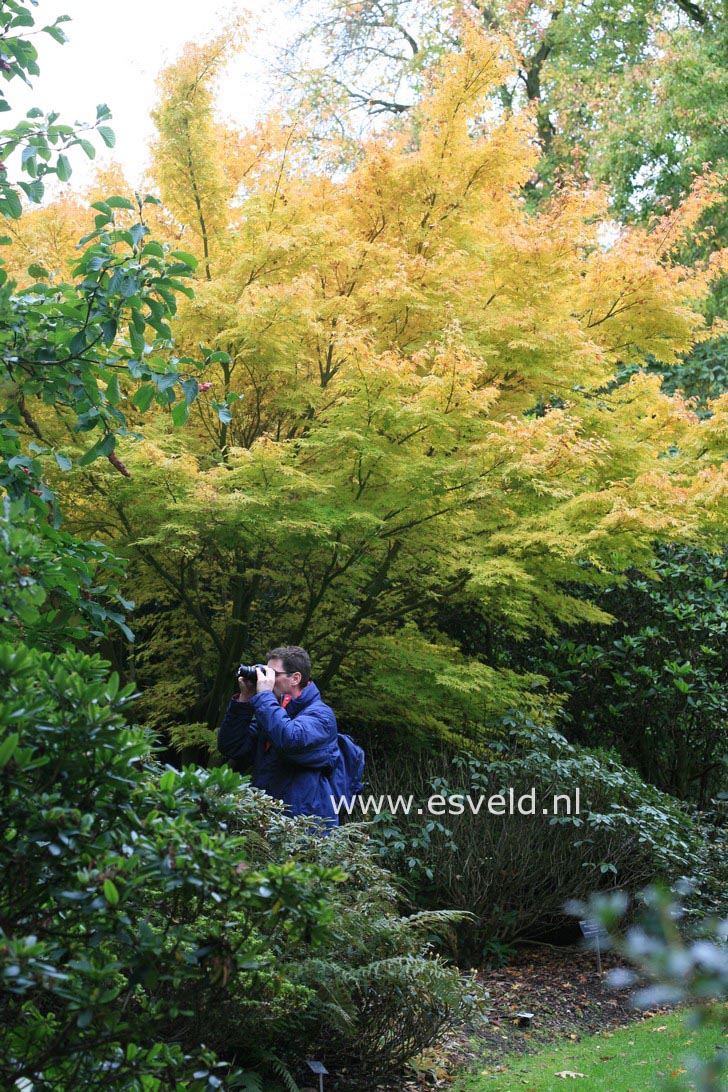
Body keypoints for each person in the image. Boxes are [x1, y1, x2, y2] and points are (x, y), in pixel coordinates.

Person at [217, 645, 340, 827]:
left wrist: (265, 696)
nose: (267, 680)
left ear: (295, 678)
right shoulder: (273, 712)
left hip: (304, 827)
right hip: (266, 820)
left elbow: (289, 739)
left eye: (273, 674)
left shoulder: (321, 715)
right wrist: (244, 699)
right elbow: (231, 746)